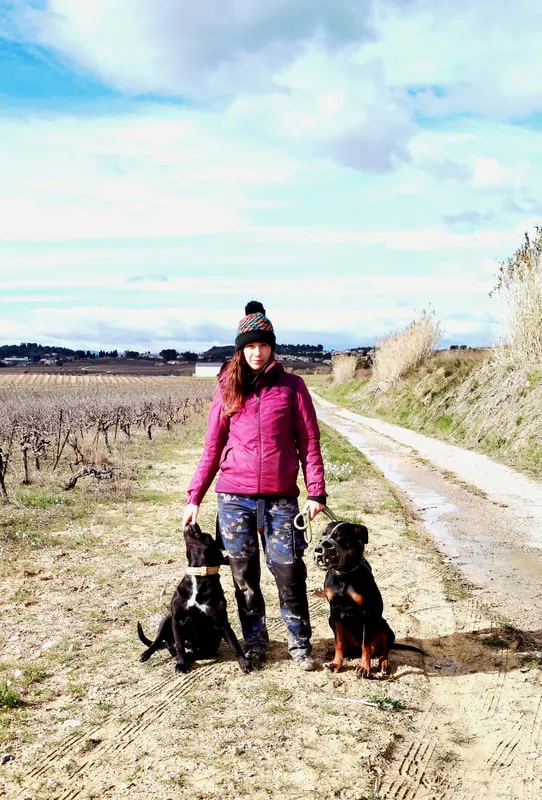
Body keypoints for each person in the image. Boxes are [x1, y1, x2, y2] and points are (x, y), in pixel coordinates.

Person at [182, 300, 327, 671]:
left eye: (262, 345)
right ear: (240, 349)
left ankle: (299, 644)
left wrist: (316, 492)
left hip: (281, 498)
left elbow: (309, 442)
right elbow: (212, 447)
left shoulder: (292, 387)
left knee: (289, 571)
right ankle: (256, 642)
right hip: (234, 498)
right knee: (244, 577)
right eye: (249, 346)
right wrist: (195, 496)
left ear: (272, 347)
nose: (256, 352)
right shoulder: (227, 388)